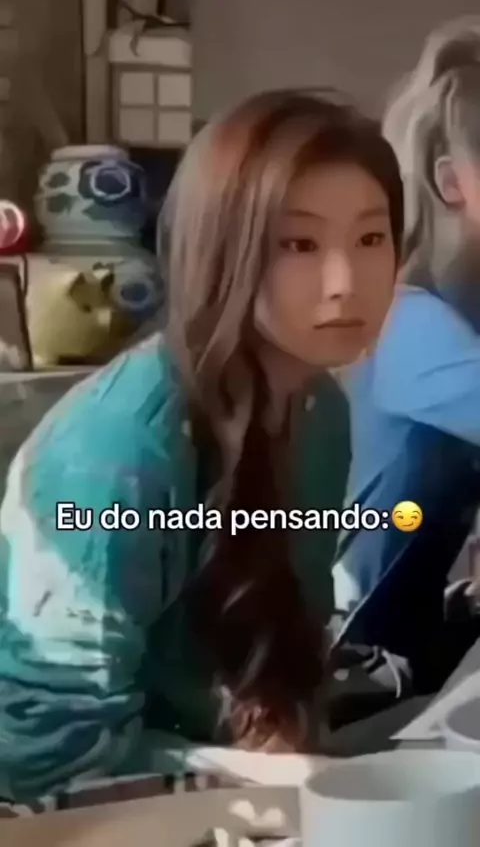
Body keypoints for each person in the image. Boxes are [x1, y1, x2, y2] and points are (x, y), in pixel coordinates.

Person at [0, 90, 402, 800]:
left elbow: (287, 658)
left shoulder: (320, 410)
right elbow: (45, 756)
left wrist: (294, 760)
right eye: (298, 244)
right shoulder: (121, 450)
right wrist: (279, 779)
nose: (345, 283)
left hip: (225, 774)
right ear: (219, 250)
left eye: (371, 238)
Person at [333, 17, 480, 689]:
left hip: (406, 631)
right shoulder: (412, 323)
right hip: (346, 652)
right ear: (453, 183)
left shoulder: (452, 312)